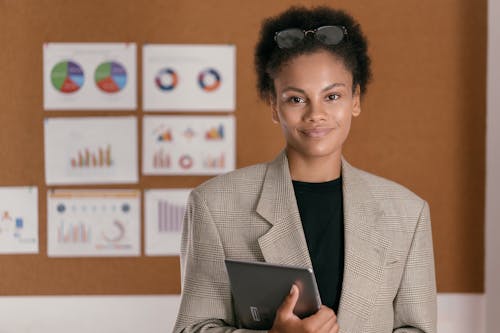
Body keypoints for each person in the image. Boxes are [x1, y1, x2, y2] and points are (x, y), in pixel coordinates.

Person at [174, 6, 436, 333]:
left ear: (355, 99)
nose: (316, 114)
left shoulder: (407, 213)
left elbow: (418, 329)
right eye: (296, 99)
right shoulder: (215, 204)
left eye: (333, 96)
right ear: (274, 104)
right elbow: (194, 328)